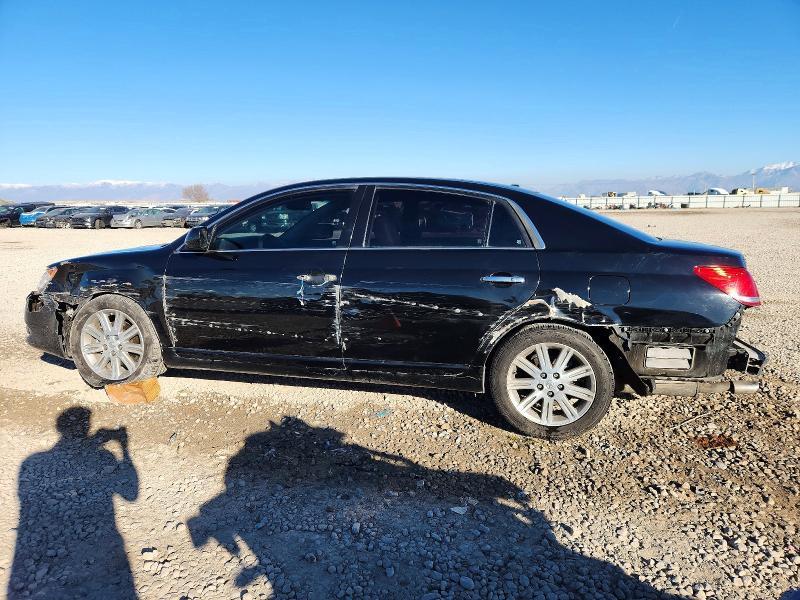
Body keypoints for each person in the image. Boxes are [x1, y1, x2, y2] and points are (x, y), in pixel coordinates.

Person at [8, 407, 139, 599]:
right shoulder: (106, 457)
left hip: (41, 556)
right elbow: (131, 495)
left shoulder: (32, 462)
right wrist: (124, 449)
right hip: (100, 549)